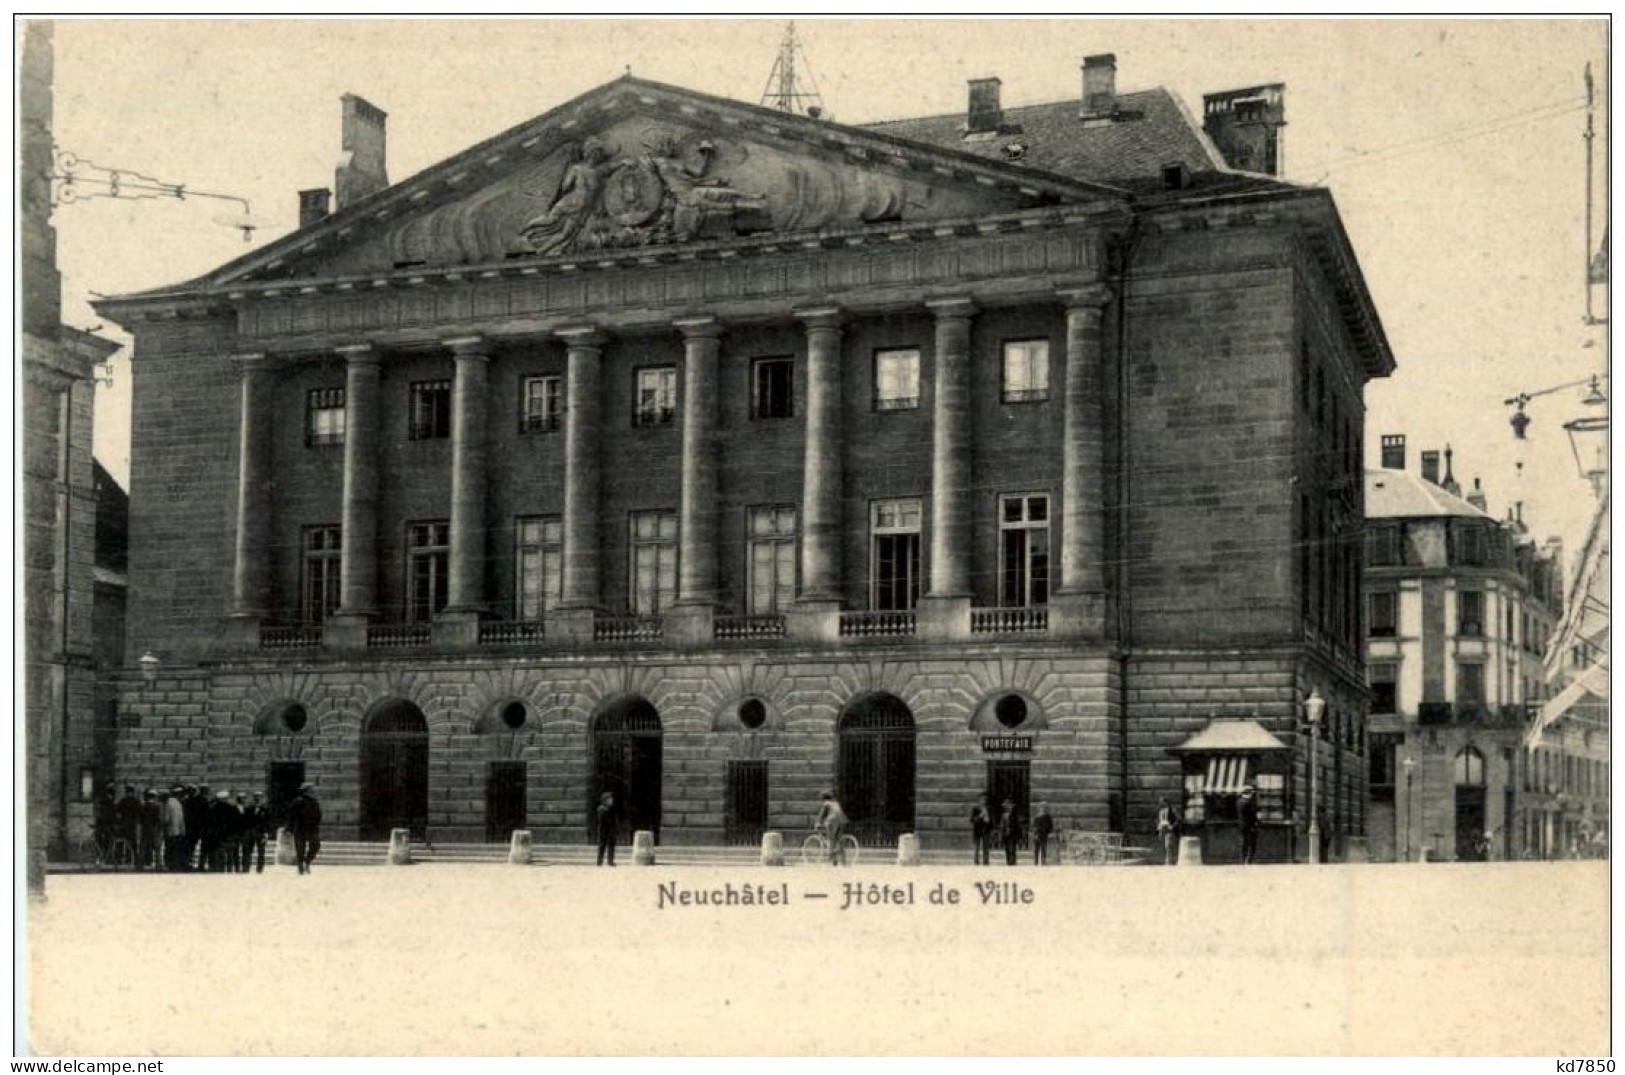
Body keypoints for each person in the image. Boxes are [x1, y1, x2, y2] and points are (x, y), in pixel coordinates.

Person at [287, 783, 322, 874]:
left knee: (316, 845)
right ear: (307, 791)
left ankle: (307, 862)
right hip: (300, 828)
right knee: (300, 849)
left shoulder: (315, 802)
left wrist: (316, 825)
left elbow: (318, 815)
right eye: (312, 790)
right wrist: (289, 828)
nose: (314, 791)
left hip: (312, 828)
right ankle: (300, 867)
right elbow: (291, 816)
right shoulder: (297, 801)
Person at [813, 791, 849, 865]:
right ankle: (843, 861)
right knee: (839, 839)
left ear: (824, 798)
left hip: (832, 821)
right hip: (842, 821)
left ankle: (831, 856)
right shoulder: (836, 803)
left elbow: (822, 815)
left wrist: (817, 823)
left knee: (830, 839)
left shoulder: (826, 804)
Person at [162, 786, 187, 872]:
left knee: (170, 849)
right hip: (178, 831)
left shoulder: (168, 803)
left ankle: (171, 866)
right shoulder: (179, 804)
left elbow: (166, 819)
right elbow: (181, 819)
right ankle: (176, 865)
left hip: (171, 831)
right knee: (176, 850)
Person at [138, 788, 162, 870]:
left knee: (143, 847)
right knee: (157, 848)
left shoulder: (143, 806)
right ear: (154, 797)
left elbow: (140, 819)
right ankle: (158, 865)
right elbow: (158, 819)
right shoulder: (157, 807)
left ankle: (140, 865)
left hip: (145, 828)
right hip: (154, 829)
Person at [244, 793, 268, 873]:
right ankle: (246, 867)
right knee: (248, 851)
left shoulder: (264, 810)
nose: (257, 800)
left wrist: (265, 833)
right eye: (256, 798)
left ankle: (259, 869)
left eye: (259, 798)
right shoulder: (248, 809)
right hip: (251, 832)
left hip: (260, 833)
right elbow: (246, 821)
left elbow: (266, 822)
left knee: (261, 851)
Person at [1238, 785, 1261, 865]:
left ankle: (1243, 860)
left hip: (1242, 825)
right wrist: (1256, 823)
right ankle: (1250, 861)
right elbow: (1252, 815)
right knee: (1252, 844)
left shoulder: (1239, 801)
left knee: (1244, 843)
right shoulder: (1249, 803)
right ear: (1249, 793)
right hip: (1251, 826)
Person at [595, 791, 618, 867]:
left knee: (611, 845)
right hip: (603, 830)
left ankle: (610, 861)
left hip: (610, 830)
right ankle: (599, 862)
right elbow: (602, 820)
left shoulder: (611, 809)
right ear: (605, 800)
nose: (612, 800)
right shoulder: (601, 809)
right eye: (610, 799)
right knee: (602, 845)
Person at [1156, 798, 1182, 865]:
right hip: (1163, 829)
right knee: (1165, 846)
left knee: (1168, 845)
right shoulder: (1161, 811)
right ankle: (1167, 860)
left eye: (1163, 802)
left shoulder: (1172, 810)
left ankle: (1169, 861)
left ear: (1166, 802)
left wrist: (1172, 826)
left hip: (1169, 830)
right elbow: (1159, 821)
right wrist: (1159, 831)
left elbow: (1178, 819)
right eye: (1160, 803)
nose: (1161, 804)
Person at [998, 798, 1022, 866]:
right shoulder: (1003, 815)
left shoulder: (1015, 815)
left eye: (1008, 805)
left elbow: (1017, 825)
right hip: (1005, 834)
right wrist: (1001, 833)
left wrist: (1019, 835)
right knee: (1007, 849)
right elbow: (1001, 825)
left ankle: (1013, 862)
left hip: (1013, 834)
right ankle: (1008, 862)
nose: (1007, 807)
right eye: (1006, 805)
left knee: (1012, 849)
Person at [970, 795, 992, 866]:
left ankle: (986, 861)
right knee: (977, 847)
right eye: (982, 800)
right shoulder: (975, 809)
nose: (983, 801)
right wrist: (980, 816)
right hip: (977, 831)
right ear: (979, 800)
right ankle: (976, 861)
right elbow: (972, 820)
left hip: (986, 830)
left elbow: (991, 820)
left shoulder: (988, 809)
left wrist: (987, 818)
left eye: (984, 800)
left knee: (986, 847)